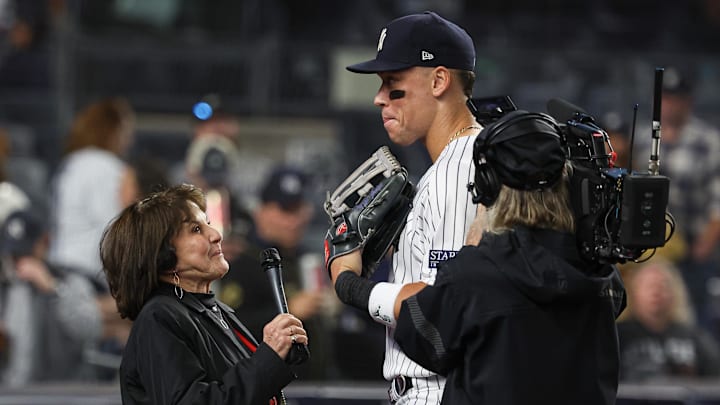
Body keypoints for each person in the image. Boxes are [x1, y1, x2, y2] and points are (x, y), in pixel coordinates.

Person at [329, 111, 627, 404]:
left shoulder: (480, 273)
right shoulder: (603, 277)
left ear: (488, 187)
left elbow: (425, 334)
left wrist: (348, 283)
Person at [337, 11, 482, 403]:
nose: (379, 98)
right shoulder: (459, 163)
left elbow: (441, 314)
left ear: (438, 80)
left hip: (438, 392)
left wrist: (351, 285)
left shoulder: (459, 170)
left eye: (392, 83)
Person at [100, 183, 306, 404]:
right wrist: (267, 358)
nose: (216, 235)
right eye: (196, 229)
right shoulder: (159, 318)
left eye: (207, 224)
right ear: (162, 255)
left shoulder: (216, 311)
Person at [219, 165, 338, 380]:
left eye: (299, 209)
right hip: (266, 388)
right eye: (286, 211)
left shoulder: (304, 258)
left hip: (315, 384)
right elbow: (230, 328)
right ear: (262, 211)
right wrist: (289, 312)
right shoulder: (241, 260)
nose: (295, 221)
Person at [633, 66, 720, 333]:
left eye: (677, 98)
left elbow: (718, 201)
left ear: (688, 102)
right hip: (652, 247)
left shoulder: (708, 141)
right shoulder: (644, 141)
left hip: (694, 245)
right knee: (650, 309)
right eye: (667, 98)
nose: (671, 105)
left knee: (694, 317)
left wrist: (703, 247)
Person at [0, 209, 102, 385]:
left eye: (27, 253)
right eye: (15, 256)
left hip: (62, 392)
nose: (20, 262)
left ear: (44, 242)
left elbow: (90, 331)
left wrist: (54, 289)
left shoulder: (70, 282)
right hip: (13, 393)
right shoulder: (6, 290)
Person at [49, 97, 137, 286]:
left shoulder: (71, 163)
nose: (129, 140)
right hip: (87, 272)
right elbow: (112, 226)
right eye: (126, 131)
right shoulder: (108, 168)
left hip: (61, 262)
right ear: (112, 131)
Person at [617, 258, 720, 381]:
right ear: (634, 293)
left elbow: (714, 379)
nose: (656, 292)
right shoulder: (618, 335)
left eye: (662, 286)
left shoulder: (695, 337)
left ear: (675, 293)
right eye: (650, 286)